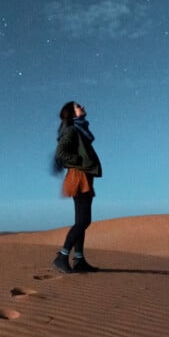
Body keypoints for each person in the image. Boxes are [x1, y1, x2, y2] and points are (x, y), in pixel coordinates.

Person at [52, 101, 102, 273]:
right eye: (78, 106)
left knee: (81, 221)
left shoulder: (79, 130)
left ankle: (79, 260)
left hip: (83, 177)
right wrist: (80, 162)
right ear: (72, 113)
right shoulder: (72, 130)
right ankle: (62, 256)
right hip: (79, 177)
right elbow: (61, 154)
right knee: (83, 221)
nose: (83, 107)